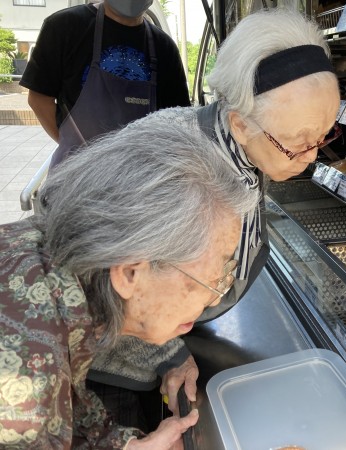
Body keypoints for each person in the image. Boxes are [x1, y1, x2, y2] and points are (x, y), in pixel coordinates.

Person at [85, 7, 342, 428]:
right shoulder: (175, 165)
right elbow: (102, 279)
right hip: (116, 363)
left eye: (323, 135)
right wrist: (168, 352)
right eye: (298, 142)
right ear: (239, 123)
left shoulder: (247, 146)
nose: (312, 156)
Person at [0, 116, 259, 448]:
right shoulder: (27, 372)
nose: (214, 300)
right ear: (129, 274)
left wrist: (127, 446)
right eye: (209, 282)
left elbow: (67, 411)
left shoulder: (55, 268)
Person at [19, 0, 190, 170]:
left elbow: (176, 122)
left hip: (138, 177)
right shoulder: (64, 26)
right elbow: (39, 100)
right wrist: (73, 146)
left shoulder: (164, 47)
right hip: (75, 174)